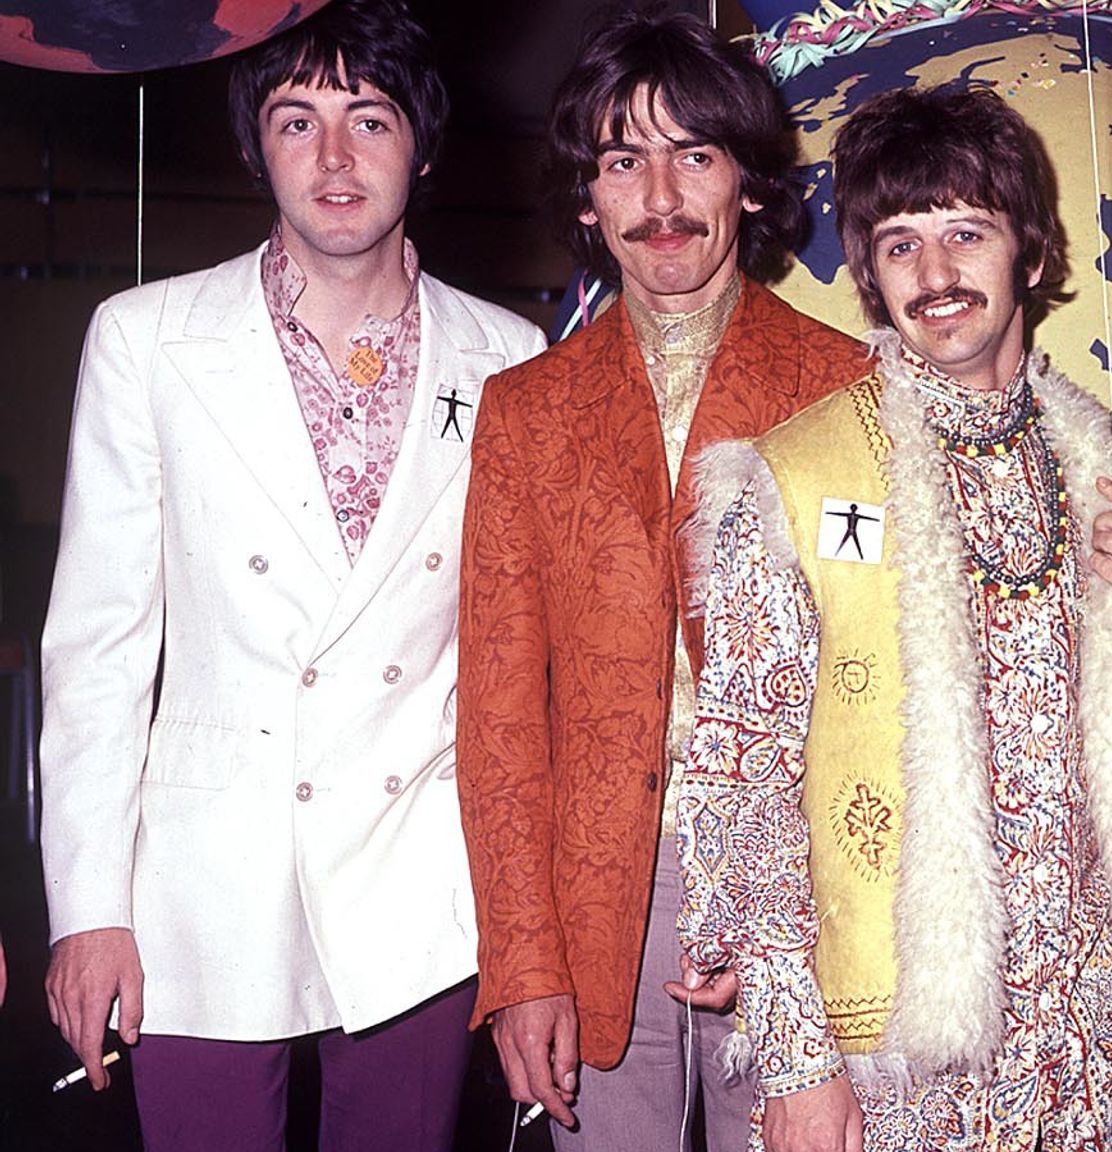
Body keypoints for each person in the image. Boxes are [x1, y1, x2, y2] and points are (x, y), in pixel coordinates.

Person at [36, 2, 545, 1147]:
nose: (332, 157)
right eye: (294, 118)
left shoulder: (512, 358)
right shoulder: (148, 337)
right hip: (202, 882)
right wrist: (88, 911)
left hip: (419, 880)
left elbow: (523, 672)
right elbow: (98, 650)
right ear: (253, 144)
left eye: (369, 118)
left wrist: (528, 934)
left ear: (421, 140)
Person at [676, 86, 1112, 1152]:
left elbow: (1103, 725)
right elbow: (740, 776)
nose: (933, 276)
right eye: (898, 244)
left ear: (1028, 248)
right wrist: (793, 1062)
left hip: (1081, 1026)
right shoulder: (797, 477)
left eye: (964, 233)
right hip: (898, 1042)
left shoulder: (1092, 456)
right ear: (869, 276)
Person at [453, 9, 871, 1151]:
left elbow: (877, 688)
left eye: (695, 154)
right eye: (623, 159)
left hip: (807, 897)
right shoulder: (523, 413)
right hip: (598, 907)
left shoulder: (850, 390)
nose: (662, 194)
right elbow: (496, 712)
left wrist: (805, 917)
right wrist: (522, 964)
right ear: (588, 200)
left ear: (747, 183)